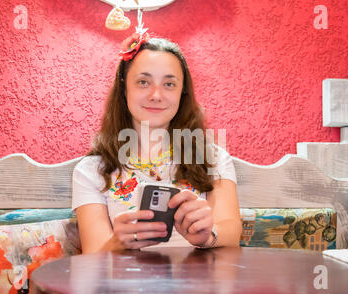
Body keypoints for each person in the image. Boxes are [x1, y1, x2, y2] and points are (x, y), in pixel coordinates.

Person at [72, 32, 241, 253]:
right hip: (125, 286)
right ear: (124, 88)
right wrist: (117, 244)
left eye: (169, 84)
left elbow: (232, 231)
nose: (156, 95)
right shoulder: (91, 170)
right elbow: (93, 255)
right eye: (143, 82)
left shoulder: (214, 158)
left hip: (198, 284)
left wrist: (208, 235)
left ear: (183, 92)